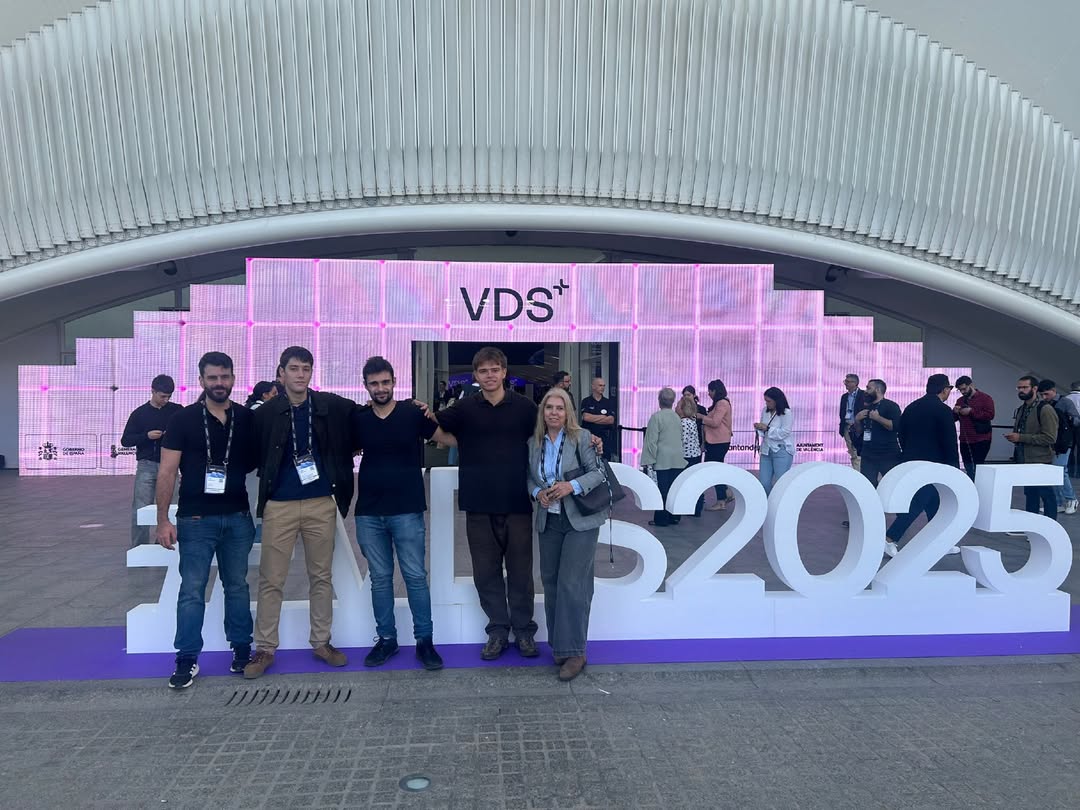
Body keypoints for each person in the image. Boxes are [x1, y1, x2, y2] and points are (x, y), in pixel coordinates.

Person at [244, 346, 357, 678]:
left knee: (321, 576)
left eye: (306, 369)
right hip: (279, 505)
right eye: (294, 368)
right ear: (281, 373)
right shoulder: (265, 413)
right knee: (271, 578)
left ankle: (321, 642)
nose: (300, 374)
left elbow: (366, 414)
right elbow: (250, 452)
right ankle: (265, 648)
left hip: (321, 502)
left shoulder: (328, 406)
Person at [154, 352, 257, 689]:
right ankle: (186, 657)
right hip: (196, 519)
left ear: (233, 378)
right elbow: (167, 472)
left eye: (224, 377)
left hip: (238, 517)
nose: (219, 383)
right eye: (212, 377)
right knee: (192, 590)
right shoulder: (182, 420)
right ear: (201, 381)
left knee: (237, 586)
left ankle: (242, 649)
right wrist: (163, 520)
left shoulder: (246, 418)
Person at [351, 356, 457, 671]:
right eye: (374, 383)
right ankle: (387, 639)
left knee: (415, 577)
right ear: (366, 386)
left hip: (407, 509)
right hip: (369, 512)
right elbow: (343, 449)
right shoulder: (359, 419)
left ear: (394, 382)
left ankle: (425, 641)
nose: (380, 388)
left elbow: (446, 438)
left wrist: (487, 445)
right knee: (380, 580)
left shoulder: (413, 414)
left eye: (385, 382)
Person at [436, 347, 540, 660]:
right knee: (485, 573)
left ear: (504, 372)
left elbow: (551, 431)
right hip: (478, 503)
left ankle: (524, 631)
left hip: (517, 502)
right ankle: (497, 631)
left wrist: (588, 439)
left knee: (521, 573)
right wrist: (459, 440)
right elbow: (432, 426)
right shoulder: (464, 408)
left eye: (495, 369)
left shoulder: (525, 408)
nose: (490, 375)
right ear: (476, 375)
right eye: (483, 371)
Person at [526, 388, 606, 682]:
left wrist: (570, 486)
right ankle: (560, 645)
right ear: (543, 412)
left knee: (573, 583)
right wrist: (538, 492)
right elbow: (528, 478)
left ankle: (576, 652)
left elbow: (598, 473)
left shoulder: (582, 438)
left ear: (568, 412)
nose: (554, 412)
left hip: (579, 520)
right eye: (549, 407)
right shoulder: (533, 443)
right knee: (551, 583)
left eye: (560, 408)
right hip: (549, 519)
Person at [884, 374, 962, 557]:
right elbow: (950, 441)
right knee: (920, 501)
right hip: (934, 464)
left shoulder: (911, 407)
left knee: (934, 503)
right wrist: (954, 468)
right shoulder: (943, 410)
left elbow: (901, 434)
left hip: (911, 461)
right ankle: (890, 538)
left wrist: (909, 453)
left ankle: (942, 541)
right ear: (945, 389)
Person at [121, 375, 183, 547]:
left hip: (170, 466)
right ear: (153, 391)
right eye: (162, 396)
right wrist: (146, 436)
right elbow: (126, 440)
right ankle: (139, 547)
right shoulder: (140, 413)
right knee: (140, 508)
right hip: (146, 466)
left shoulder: (177, 411)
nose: (166, 400)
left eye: (169, 396)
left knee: (172, 508)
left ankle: (164, 544)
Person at [1005, 375, 1059, 521]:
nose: (1021, 390)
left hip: (1040, 460)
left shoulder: (1045, 409)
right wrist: (1016, 438)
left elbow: (1050, 438)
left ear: (1034, 388)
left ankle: (1050, 525)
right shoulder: (1021, 409)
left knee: (1046, 494)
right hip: (1024, 459)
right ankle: (1031, 525)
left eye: (1024, 387)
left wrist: (1021, 438)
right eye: (1019, 387)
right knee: (1030, 494)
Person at [640, 387, 687, 527]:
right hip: (677, 458)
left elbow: (651, 441)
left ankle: (661, 519)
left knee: (662, 490)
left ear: (659, 400)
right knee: (674, 489)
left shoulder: (656, 417)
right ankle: (674, 516)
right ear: (673, 401)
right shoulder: (677, 418)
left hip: (662, 459)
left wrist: (648, 460)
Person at [1036, 379, 1079, 514]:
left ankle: (1071, 499)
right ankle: (1059, 502)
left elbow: (1076, 420)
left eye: (1046, 394)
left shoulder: (1065, 402)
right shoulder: (1044, 404)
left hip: (1063, 441)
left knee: (1060, 470)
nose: (1044, 397)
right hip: (1050, 441)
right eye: (1042, 395)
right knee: (1053, 471)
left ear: (1054, 391)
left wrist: (1067, 420)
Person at [853, 379, 902, 487]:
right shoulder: (865, 407)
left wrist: (878, 418)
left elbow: (895, 426)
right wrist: (857, 420)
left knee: (891, 485)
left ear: (878, 390)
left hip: (888, 454)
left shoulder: (891, 406)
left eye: (869, 388)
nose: (866, 391)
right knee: (868, 485)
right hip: (868, 454)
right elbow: (859, 431)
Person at [953, 376, 996, 481]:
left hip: (981, 439)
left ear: (971, 385)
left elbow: (990, 415)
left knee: (978, 467)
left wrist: (971, 411)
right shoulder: (960, 400)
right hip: (965, 439)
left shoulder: (986, 398)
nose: (962, 392)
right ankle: (971, 486)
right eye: (960, 390)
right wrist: (955, 411)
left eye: (964, 389)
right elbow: (954, 418)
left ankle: (979, 487)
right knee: (968, 467)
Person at [700, 379, 734, 510]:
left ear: (715, 391)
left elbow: (715, 422)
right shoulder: (720, 403)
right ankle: (725, 493)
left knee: (714, 471)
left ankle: (721, 499)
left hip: (718, 442)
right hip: (715, 441)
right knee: (714, 470)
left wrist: (701, 417)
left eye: (710, 391)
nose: (708, 393)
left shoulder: (722, 403)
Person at [754, 387, 795, 495]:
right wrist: (759, 428)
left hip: (781, 450)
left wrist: (767, 429)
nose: (767, 403)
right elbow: (764, 431)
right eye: (765, 401)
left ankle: (780, 503)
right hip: (766, 450)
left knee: (781, 483)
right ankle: (769, 502)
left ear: (777, 400)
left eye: (769, 401)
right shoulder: (765, 411)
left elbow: (785, 432)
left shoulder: (786, 413)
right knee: (764, 483)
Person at [676, 391, 704, 517]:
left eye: (678, 406)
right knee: (695, 481)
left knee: (686, 483)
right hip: (695, 454)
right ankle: (697, 507)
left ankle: (689, 507)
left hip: (686, 456)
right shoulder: (692, 421)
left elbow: (682, 440)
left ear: (682, 409)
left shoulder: (683, 423)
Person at [580, 377, 616, 460]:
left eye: (604, 385)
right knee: (588, 459)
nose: (602, 388)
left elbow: (610, 420)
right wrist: (603, 417)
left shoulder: (608, 402)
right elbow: (586, 417)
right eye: (600, 385)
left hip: (605, 437)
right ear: (593, 386)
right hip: (590, 436)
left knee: (605, 460)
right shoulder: (586, 401)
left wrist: (593, 418)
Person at [838, 374, 864, 473]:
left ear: (855, 383)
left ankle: (862, 473)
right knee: (852, 452)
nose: (846, 384)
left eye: (848, 382)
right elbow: (842, 412)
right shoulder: (844, 397)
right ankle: (856, 472)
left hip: (858, 427)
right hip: (847, 427)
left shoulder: (863, 395)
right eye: (845, 381)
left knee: (859, 452)